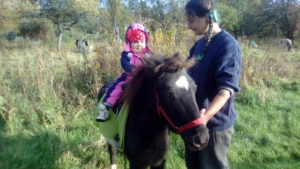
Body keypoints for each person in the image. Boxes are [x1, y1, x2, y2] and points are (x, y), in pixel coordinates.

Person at [184, 0, 242, 169]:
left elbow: (226, 90)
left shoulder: (227, 45)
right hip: (194, 122)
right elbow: (187, 75)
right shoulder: (199, 44)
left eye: (192, 20)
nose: (189, 26)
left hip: (215, 126)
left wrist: (206, 117)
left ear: (208, 18)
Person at [96, 23, 152, 122]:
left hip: (147, 79)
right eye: (135, 42)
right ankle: (106, 107)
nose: (139, 44)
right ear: (129, 43)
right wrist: (138, 72)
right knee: (117, 87)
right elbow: (126, 66)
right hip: (130, 78)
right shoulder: (127, 55)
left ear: (146, 41)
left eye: (141, 41)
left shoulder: (149, 54)